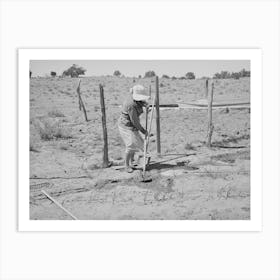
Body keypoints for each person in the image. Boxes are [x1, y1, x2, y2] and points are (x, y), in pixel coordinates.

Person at [118, 85, 150, 173]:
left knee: (136, 143)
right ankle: (127, 165)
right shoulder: (130, 104)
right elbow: (135, 121)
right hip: (126, 126)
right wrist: (143, 131)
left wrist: (146, 105)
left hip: (132, 125)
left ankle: (131, 162)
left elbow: (141, 103)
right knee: (131, 144)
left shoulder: (136, 100)